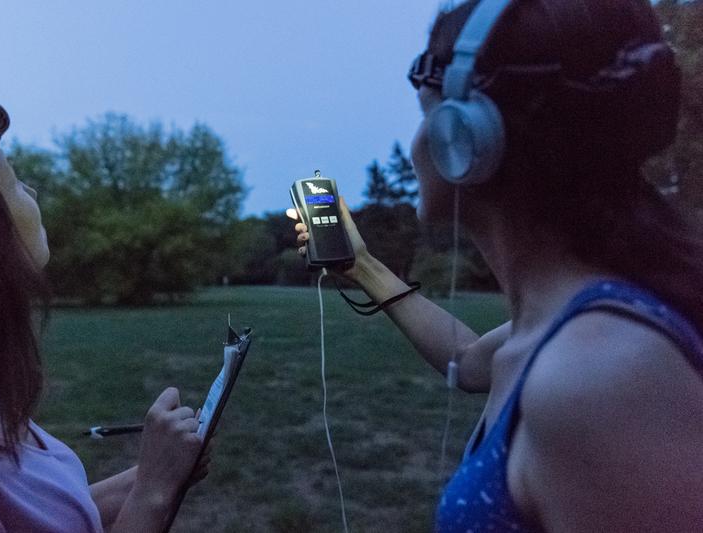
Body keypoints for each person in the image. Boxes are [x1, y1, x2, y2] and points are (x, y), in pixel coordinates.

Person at [295, 0, 703, 531]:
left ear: (465, 139)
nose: (417, 144)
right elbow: (466, 360)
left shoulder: (600, 378)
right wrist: (363, 266)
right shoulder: (567, 328)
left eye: (426, 116)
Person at [0, 105, 208, 532]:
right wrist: (153, 491)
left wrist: (154, 473)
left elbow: (46, 520)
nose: (32, 191)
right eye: (12, 184)